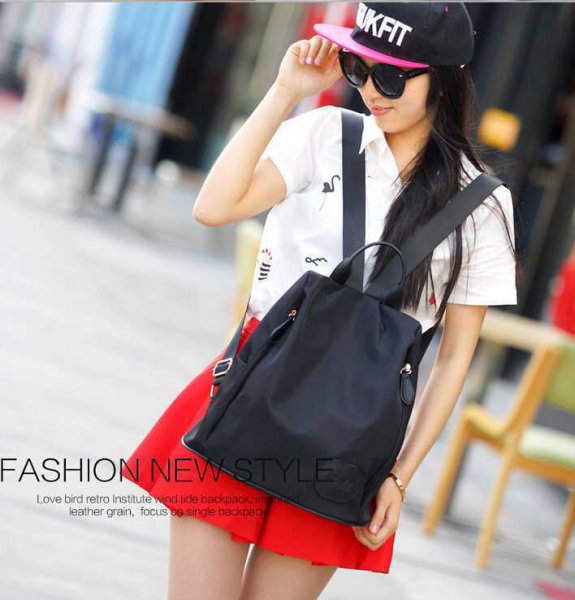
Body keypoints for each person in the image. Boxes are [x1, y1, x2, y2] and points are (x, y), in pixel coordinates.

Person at [121, 3, 519, 599]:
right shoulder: (324, 134)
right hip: (248, 391)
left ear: (443, 80)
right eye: (359, 67)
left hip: (348, 440)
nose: (370, 90)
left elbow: (455, 357)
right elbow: (213, 207)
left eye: (391, 77)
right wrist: (286, 91)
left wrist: (400, 477)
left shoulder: (482, 205)